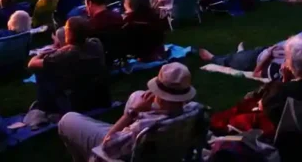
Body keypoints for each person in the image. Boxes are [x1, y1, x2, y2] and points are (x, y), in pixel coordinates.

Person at [58, 63, 202, 162]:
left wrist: (131, 114)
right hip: (167, 149)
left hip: (124, 149)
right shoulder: (196, 109)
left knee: (68, 119)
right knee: (137, 95)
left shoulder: (143, 129)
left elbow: (106, 145)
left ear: (159, 92)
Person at [28, 17, 109, 115]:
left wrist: (41, 54)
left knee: (41, 72)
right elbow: (78, 47)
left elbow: (31, 64)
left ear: (69, 33)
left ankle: (45, 107)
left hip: (75, 103)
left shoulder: (64, 56)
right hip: (98, 96)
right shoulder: (96, 44)